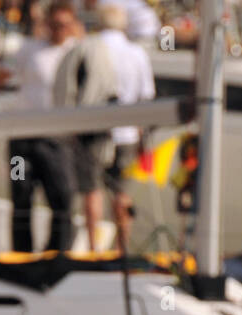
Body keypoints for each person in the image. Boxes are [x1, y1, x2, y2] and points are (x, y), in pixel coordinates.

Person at [6, 0, 80, 252]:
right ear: (47, 24)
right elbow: (5, 75)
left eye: (64, 25)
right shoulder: (29, 49)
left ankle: (56, 254)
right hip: (22, 138)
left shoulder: (75, 53)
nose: (59, 29)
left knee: (62, 199)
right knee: (20, 196)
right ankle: (21, 254)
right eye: (55, 24)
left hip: (55, 140)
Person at [52, 5, 119, 250]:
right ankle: (117, 250)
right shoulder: (129, 51)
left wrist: (73, 126)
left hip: (90, 129)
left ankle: (94, 249)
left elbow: (75, 91)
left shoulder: (84, 49)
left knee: (90, 189)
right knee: (117, 193)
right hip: (119, 130)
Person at [93, 3, 154, 249]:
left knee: (93, 190)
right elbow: (146, 95)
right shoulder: (137, 53)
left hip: (95, 130)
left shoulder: (94, 48)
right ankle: (121, 247)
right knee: (122, 193)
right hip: (128, 133)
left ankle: (94, 248)